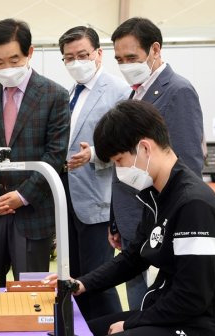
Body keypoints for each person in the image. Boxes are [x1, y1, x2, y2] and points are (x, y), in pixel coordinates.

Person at [45, 100, 215, 336]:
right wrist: (83, 283)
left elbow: (192, 297)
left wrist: (131, 323)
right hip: (172, 317)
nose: (119, 171)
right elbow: (134, 257)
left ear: (144, 147)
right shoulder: (157, 195)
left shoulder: (193, 204)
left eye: (119, 161)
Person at [0, 18, 70, 287]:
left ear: (29, 53)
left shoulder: (54, 95)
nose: (7, 68)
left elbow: (54, 155)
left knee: (31, 295)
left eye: (14, 59)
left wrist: (22, 196)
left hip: (31, 216)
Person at [110, 17, 205, 309]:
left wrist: (174, 219)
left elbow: (187, 163)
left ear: (155, 49)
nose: (125, 65)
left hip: (158, 220)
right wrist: (116, 220)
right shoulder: (134, 92)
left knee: (156, 306)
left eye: (131, 57)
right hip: (131, 221)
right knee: (137, 300)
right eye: (119, 59)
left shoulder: (178, 91)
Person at [57, 26, 129, 320]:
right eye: (69, 57)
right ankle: (86, 334)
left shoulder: (119, 92)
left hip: (99, 200)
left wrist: (95, 154)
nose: (76, 62)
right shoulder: (71, 93)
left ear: (99, 54)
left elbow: (127, 144)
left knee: (98, 280)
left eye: (83, 55)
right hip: (69, 201)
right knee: (76, 277)